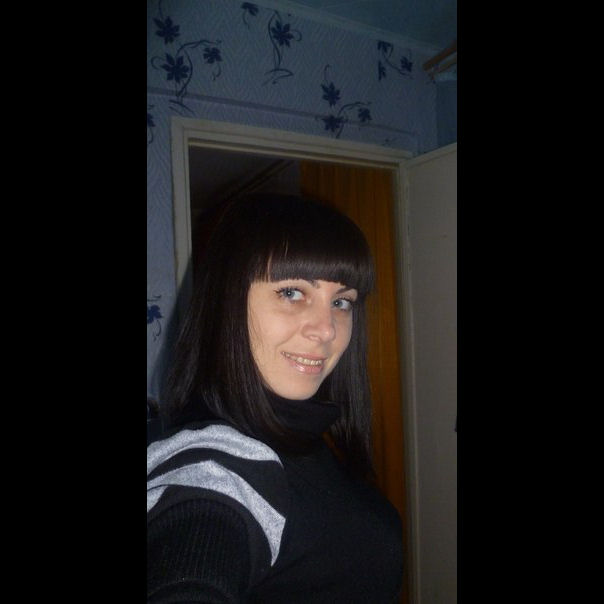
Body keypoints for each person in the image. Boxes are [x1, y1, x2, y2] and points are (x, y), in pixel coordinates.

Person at [147, 193, 403, 602]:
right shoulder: (215, 464)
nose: (327, 329)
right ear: (227, 301)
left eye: (341, 302)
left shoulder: (308, 435)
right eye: (292, 293)